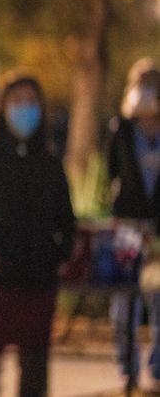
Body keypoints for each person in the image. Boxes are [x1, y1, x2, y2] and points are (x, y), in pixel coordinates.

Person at [0, 73, 76, 397]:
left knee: (34, 367)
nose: (25, 108)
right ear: (3, 106)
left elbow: (67, 218)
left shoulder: (50, 162)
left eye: (31, 101)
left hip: (38, 279)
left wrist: (59, 255)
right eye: (17, 101)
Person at [107, 58, 160, 390]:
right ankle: (128, 366)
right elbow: (114, 175)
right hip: (128, 227)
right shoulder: (122, 129)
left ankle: (158, 369)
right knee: (125, 296)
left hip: (159, 229)